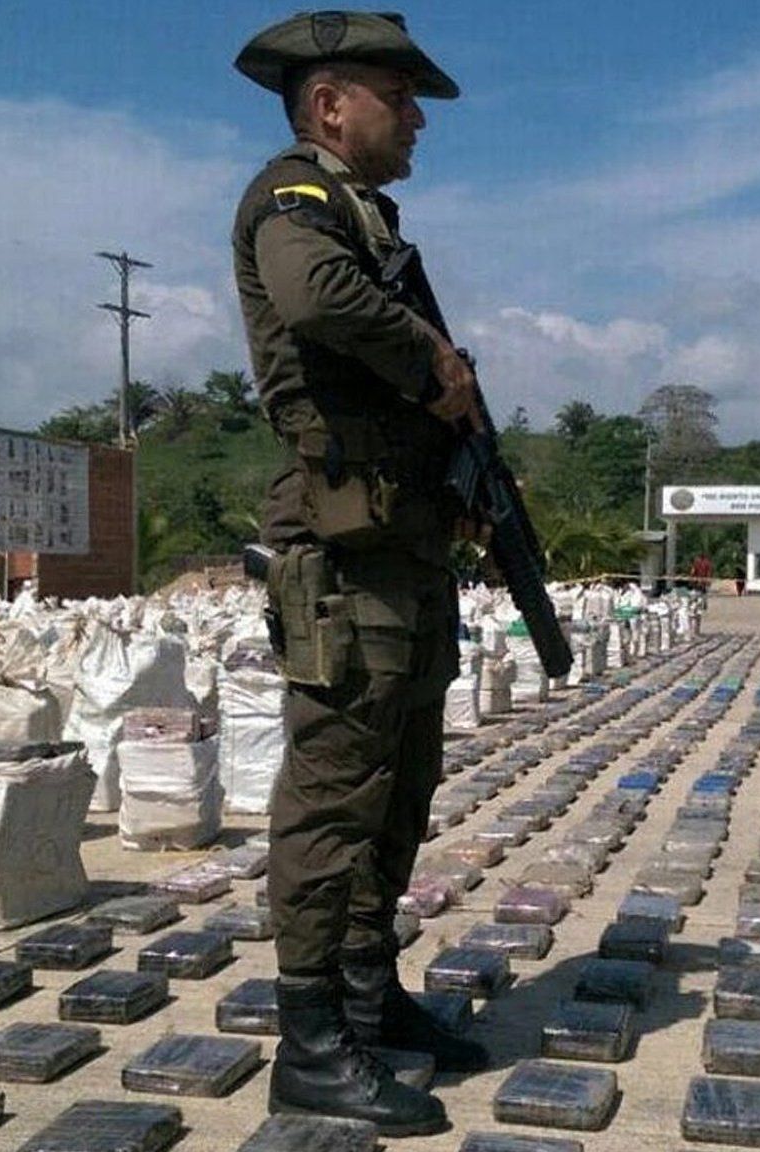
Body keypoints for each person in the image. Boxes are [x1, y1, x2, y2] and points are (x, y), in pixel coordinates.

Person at [230, 11, 480, 1136]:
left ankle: (371, 1007)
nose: (418, 117)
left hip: (401, 551)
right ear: (332, 104)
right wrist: (435, 363)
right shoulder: (295, 202)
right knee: (334, 798)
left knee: (401, 790)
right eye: (400, 94)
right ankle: (311, 1042)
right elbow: (317, 302)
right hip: (341, 556)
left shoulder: (369, 221)